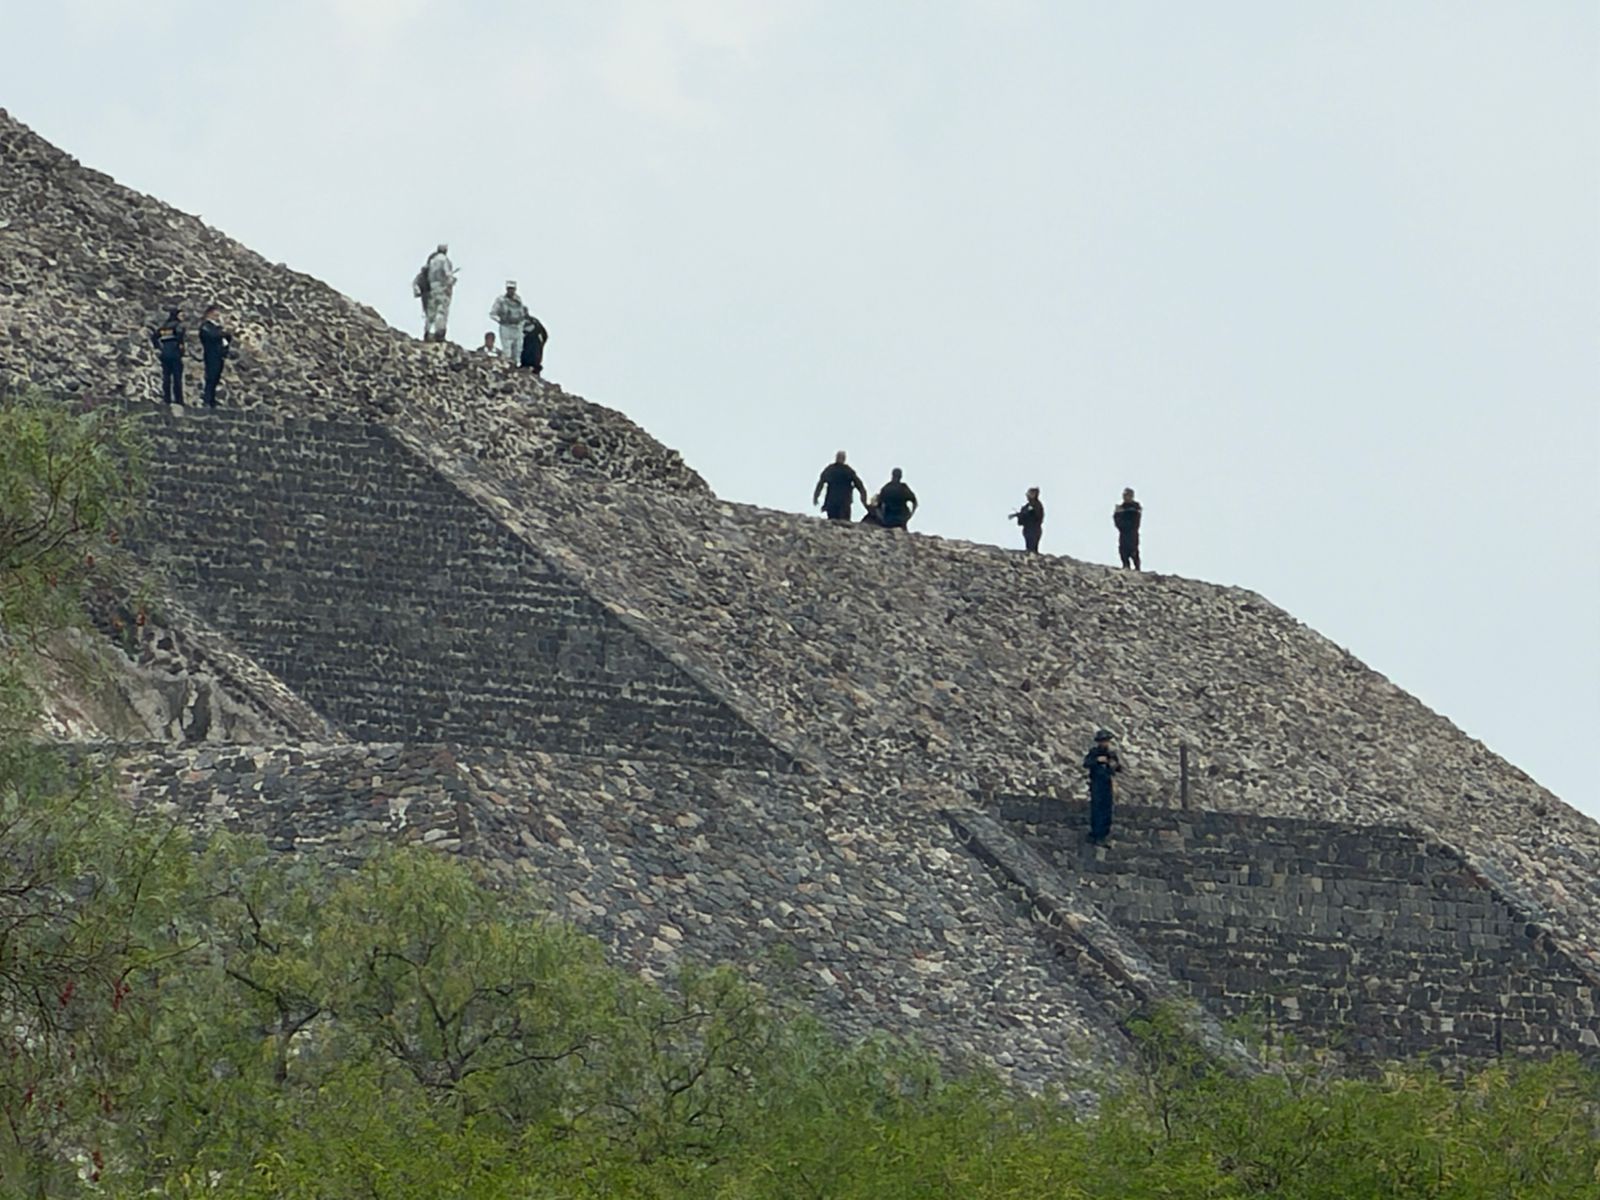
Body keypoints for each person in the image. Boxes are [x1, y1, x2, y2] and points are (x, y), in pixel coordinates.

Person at [1082, 729, 1122, 843]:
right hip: (1096, 783)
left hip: (1107, 783)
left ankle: (1104, 833)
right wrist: (1097, 760)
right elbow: (1086, 763)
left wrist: (1114, 765)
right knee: (1097, 808)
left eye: (1106, 741)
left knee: (1107, 809)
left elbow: (1119, 768)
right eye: (1102, 741)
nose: (1104, 743)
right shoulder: (1094, 752)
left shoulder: (1111, 754)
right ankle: (1096, 833)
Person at [414, 243, 457, 342]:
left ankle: (427, 332)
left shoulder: (432, 261)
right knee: (441, 311)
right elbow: (447, 274)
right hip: (442, 288)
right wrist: (452, 281)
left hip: (432, 289)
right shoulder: (444, 260)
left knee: (430, 313)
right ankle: (439, 333)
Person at [812, 451, 868, 521]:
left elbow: (859, 485)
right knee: (839, 522)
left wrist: (863, 495)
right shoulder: (845, 470)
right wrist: (816, 496)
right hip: (838, 502)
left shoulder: (834, 470)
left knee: (836, 522)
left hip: (839, 502)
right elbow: (820, 483)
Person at [149, 308, 185, 405]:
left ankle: (167, 398)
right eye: (181, 315)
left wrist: (158, 347)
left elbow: (154, 337)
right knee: (177, 377)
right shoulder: (178, 326)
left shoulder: (163, 327)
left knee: (166, 377)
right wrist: (181, 350)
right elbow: (180, 337)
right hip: (175, 354)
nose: (183, 317)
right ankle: (179, 399)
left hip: (165, 353)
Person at [198, 305, 231, 407]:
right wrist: (222, 334)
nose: (217, 316)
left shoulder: (216, 327)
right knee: (211, 377)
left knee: (216, 377)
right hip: (211, 354)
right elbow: (212, 336)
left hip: (218, 354)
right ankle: (207, 399)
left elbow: (226, 337)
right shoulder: (206, 326)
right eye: (215, 314)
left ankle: (211, 399)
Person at [489, 282, 528, 365]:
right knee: (507, 351)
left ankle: (515, 368)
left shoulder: (519, 300)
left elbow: (522, 315)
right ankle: (507, 367)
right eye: (509, 288)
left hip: (517, 328)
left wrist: (521, 322)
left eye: (512, 289)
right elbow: (492, 314)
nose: (511, 291)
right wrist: (500, 320)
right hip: (506, 328)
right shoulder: (501, 300)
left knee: (517, 350)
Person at [1114, 488, 1142, 570]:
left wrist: (1122, 514)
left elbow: (1135, 522)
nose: (1126, 497)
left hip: (1132, 534)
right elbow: (1117, 522)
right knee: (1123, 550)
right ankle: (1126, 566)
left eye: (1128, 495)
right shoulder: (1121, 508)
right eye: (1125, 495)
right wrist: (1118, 514)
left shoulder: (1135, 508)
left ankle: (1137, 568)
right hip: (1123, 533)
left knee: (1133, 551)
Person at [1011, 487, 1044, 553]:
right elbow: (1020, 522)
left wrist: (1030, 512)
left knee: (1033, 548)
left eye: (1030, 493)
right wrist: (1019, 515)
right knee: (1028, 547)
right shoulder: (1026, 506)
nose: (1027, 495)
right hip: (1027, 530)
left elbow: (1039, 517)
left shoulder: (1037, 505)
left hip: (1034, 530)